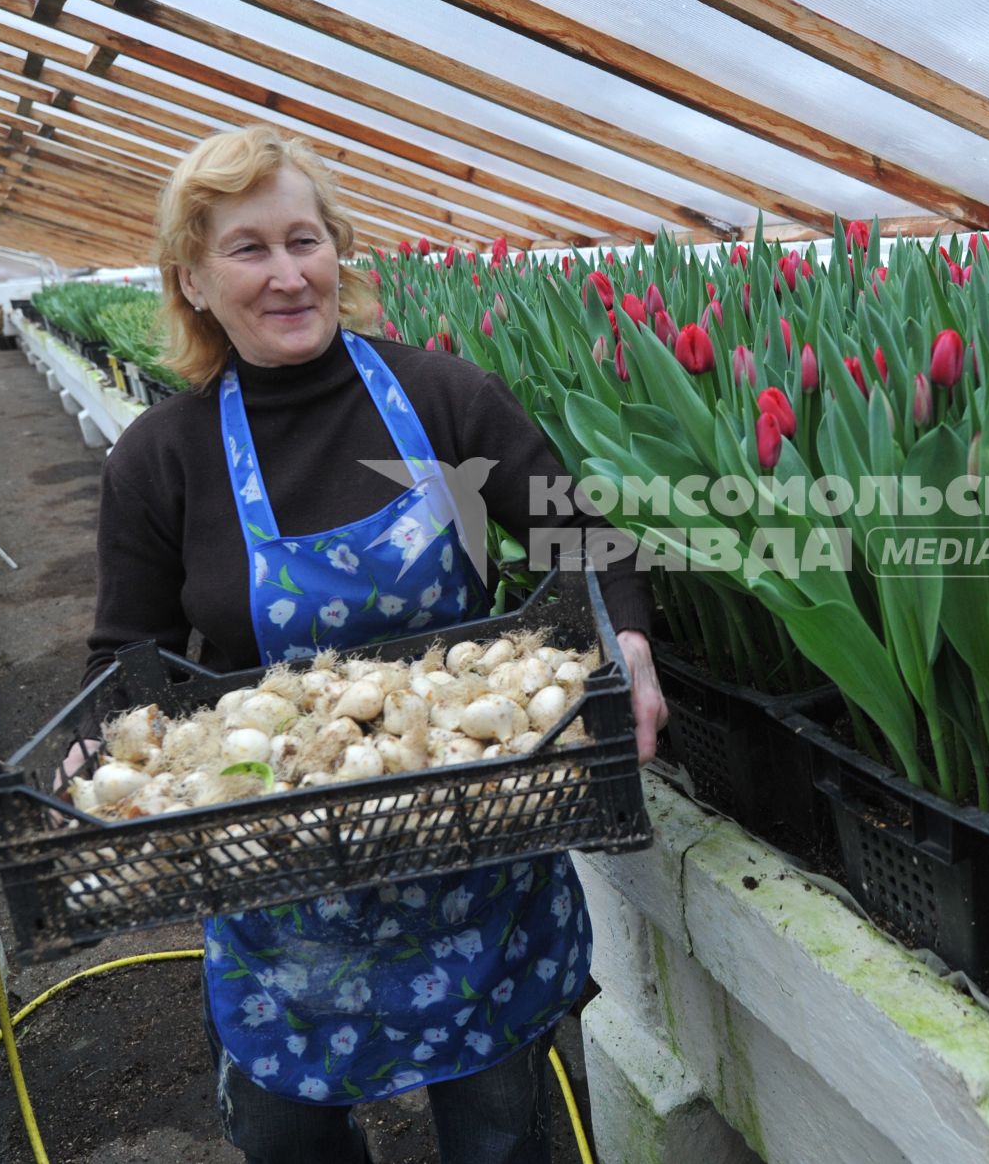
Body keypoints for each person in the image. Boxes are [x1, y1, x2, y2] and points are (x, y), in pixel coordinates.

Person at [83, 124, 667, 1164]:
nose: (288, 273)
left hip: (476, 839)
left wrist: (629, 639)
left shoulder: (442, 397)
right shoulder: (161, 456)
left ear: (338, 251)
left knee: (498, 1128)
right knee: (289, 1133)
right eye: (249, 248)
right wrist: (98, 745)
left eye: (305, 239)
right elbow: (125, 650)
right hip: (279, 864)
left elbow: (584, 541)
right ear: (194, 277)